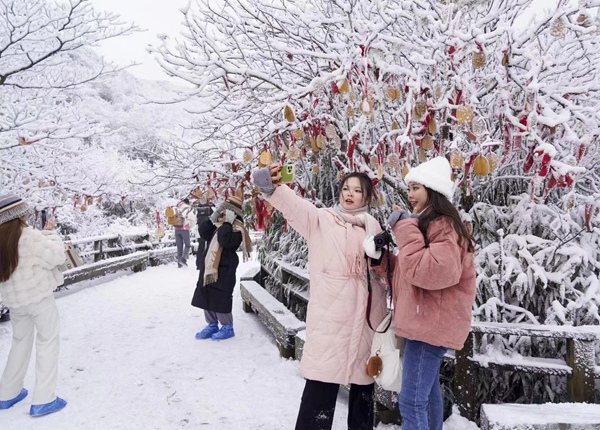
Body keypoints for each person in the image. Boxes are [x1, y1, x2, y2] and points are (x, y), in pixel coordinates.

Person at [252, 164, 387, 430]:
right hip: (331, 319)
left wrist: (383, 255)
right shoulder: (322, 219)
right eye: (346, 188)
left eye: (357, 191)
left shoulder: (374, 227)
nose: (349, 194)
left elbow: (384, 274)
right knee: (320, 390)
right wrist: (271, 187)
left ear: (367, 197)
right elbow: (295, 207)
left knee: (363, 393)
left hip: (366, 323)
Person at [383, 157, 476, 430]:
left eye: (416, 188)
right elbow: (412, 272)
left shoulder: (443, 224)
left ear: (433, 191)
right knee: (427, 396)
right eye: (409, 188)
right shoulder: (431, 224)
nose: (410, 195)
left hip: (429, 326)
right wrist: (384, 261)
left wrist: (404, 227)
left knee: (411, 403)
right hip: (426, 324)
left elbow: (435, 272)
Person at [0, 194, 68, 417]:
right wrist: (52, 234)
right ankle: (44, 399)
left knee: (19, 344)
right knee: (48, 342)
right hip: (39, 299)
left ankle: (7, 393)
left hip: (16, 303)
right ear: (18, 216)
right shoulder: (28, 236)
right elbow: (56, 257)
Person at [191, 196, 252, 341]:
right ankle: (212, 324)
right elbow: (203, 232)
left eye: (226, 210)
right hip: (210, 267)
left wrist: (227, 224)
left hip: (225, 268)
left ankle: (227, 326)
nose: (223, 213)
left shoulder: (238, 228)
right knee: (207, 293)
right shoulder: (218, 224)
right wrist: (211, 218)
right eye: (222, 210)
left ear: (234, 213)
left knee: (221, 296)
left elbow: (225, 241)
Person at [174, 198, 196, 268]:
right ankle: (183, 259)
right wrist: (190, 226)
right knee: (187, 245)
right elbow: (193, 219)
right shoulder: (188, 209)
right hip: (184, 229)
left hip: (176, 229)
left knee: (179, 247)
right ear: (187, 203)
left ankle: (179, 264)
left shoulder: (176, 208)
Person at [194, 200, 214, 269]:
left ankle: (199, 264)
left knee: (201, 247)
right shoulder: (210, 209)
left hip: (200, 231)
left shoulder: (198, 209)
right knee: (209, 247)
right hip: (208, 231)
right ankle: (207, 263)